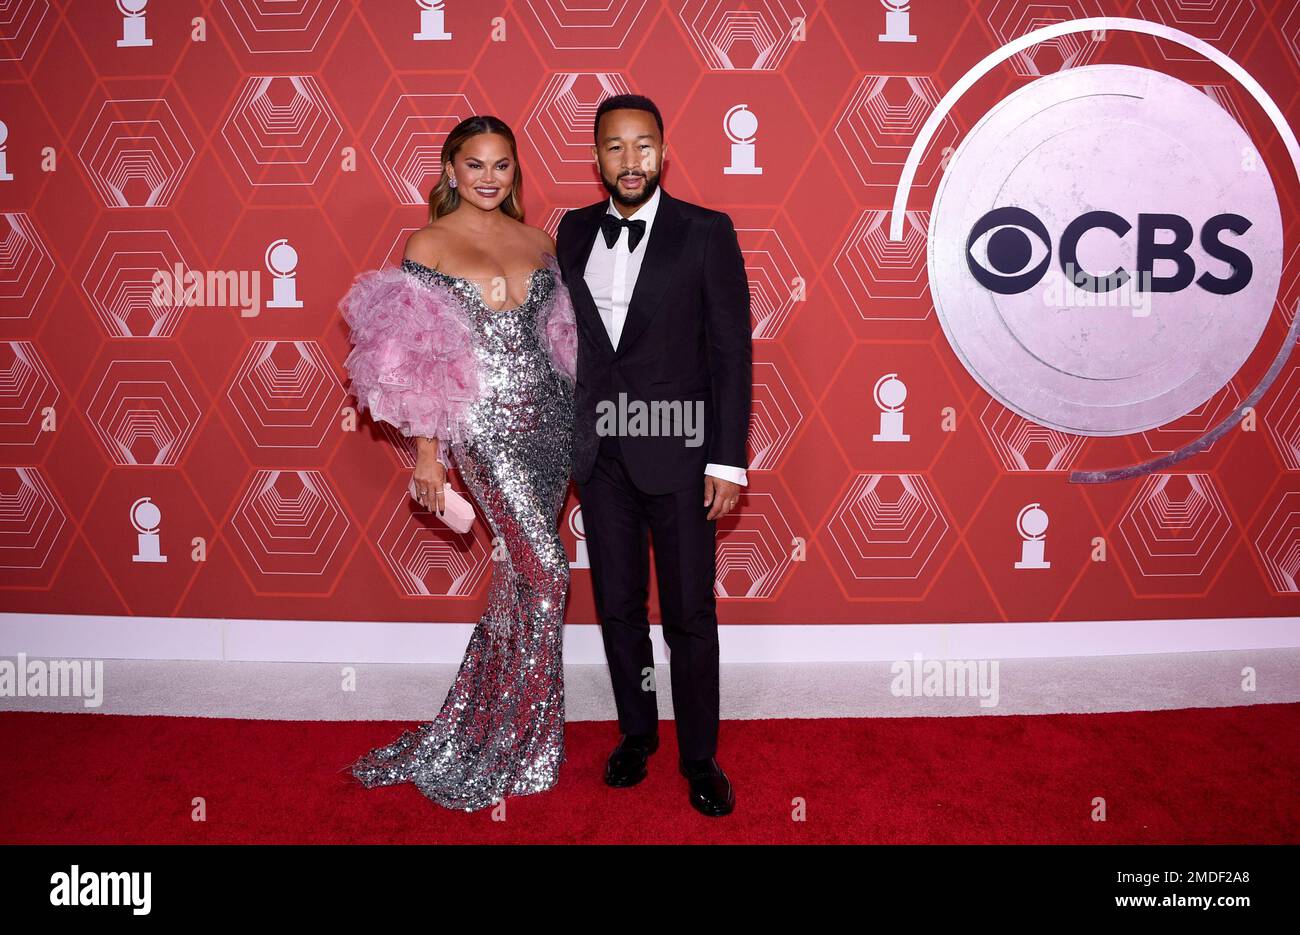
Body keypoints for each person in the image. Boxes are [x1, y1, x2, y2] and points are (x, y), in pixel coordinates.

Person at [338, 115, 577, 813]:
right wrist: (428, 455)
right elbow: (419, 359)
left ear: (515, 173)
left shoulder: (541, 241)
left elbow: (561, 339)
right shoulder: (429, 245)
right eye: (474, 164)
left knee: (520, 579)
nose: (488, 177)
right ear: (449, 169)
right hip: (482, 424)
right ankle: (514, 740)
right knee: (549, 571)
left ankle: (503, 721)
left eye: (502, 165)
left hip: (550, 420)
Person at [555, 94, 752, 817]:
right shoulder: (572, 231)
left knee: (690, 615)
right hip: (601, 457)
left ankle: (699, 754)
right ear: (597, 156)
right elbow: (564, 344)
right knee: (617, 608)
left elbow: (732, 352)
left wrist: (726, 461)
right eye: (614, 147)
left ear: (663, 153)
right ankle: (637, 733)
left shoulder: (705, 231)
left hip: (681, 453)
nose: (629, 160)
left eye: (643, 147)